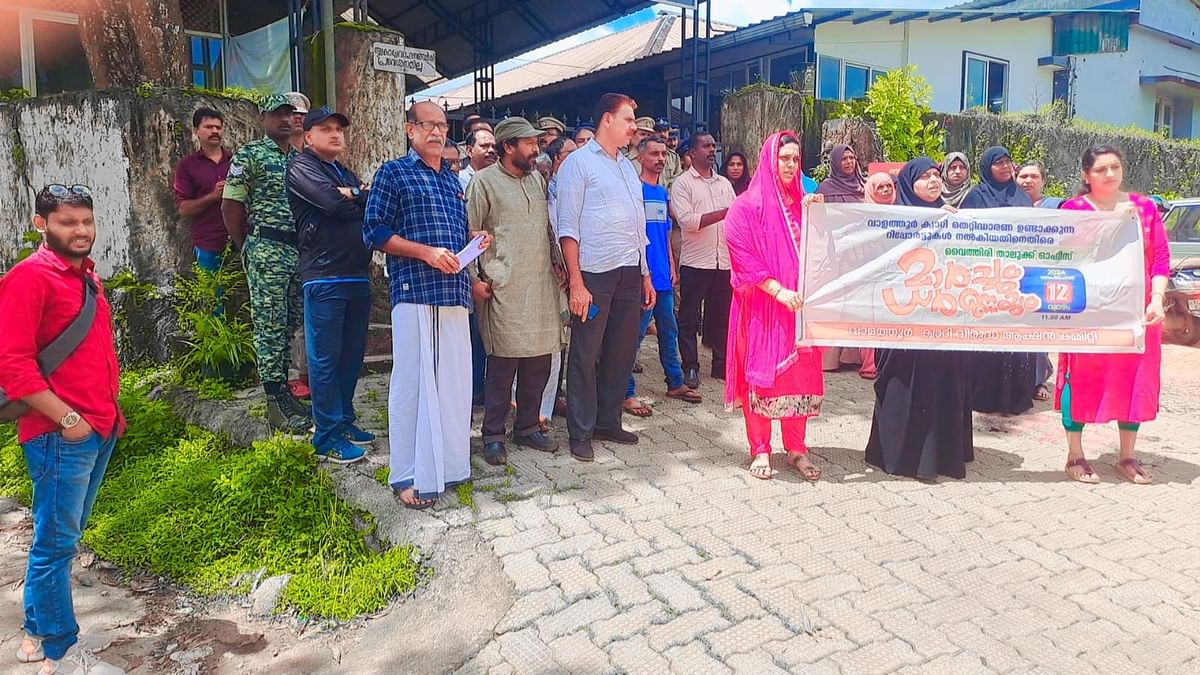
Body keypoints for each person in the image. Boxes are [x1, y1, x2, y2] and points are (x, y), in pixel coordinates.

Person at [0, 185, 126, 675]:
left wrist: (111, 414)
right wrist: (69, 420)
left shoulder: (87, 276)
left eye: (86, 222)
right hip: (61, 434)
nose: (80, 231)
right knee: (54, 543)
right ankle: (56, 647)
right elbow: (14, 368)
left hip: (99, 426)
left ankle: (38, 633)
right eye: (67, 222)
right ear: (41, 225)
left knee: (62, 538)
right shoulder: (29, 278)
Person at [363, 101, 494, 508]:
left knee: (454, 386)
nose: (437, 132)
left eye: (442, 125)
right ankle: (407, 473)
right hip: (415, 290)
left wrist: (472, 242)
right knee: (414, 384)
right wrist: (425, 253)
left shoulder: (451, 180)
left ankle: (450, 467)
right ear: (410, 129)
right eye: (428, 125)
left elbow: (452, 242)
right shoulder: (394, 173)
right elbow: (375, 231)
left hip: (453, 294)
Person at [1057, 145, 1168, 484]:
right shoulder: (1073, 210)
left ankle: (1127, 455)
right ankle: (1075, 454)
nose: (1109, 174)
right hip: (1087, 313)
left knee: (1132, 379)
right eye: (1101, 169)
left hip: (1135, 315)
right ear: (1085, 175)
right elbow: (1056, 255)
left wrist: (1157, 299)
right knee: (1082, 376)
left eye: (1115, 167)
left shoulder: (1144, 209)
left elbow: (1160, 259)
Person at [556, 93, 655, 462]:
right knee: (585, 352)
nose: (634, 127)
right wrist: (576, 282)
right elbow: (567, 227)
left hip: (630, 270)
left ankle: (607, 422)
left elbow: (638, 225)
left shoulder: (627, 167)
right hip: (594, 274)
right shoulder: (578, 165)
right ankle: (580, 431)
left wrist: (644, 274)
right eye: (629, 119)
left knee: (621, 351)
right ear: (607, 120)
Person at [865, 157, 975, 481]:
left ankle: (944, 455)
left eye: (935, 175)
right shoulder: (892, 218)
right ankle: (900, 454)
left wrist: (956, 225)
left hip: (943, 318)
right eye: (924, 176)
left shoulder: (954, 217)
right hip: (903, 318)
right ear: (909, 182)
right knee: (903, 381)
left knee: (944, 379)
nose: (933, 180)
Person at [724, 132, 825, 481]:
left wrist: (826, 217)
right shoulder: (745, 207)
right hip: (764, 309)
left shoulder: (805, 204)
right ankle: (761, 449)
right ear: (770, 160)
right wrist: (777, 290)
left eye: (796, 159)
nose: (791, 165)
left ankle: (796, 449)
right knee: (764, 380)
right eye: (785, 159)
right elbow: (742, 256)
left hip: (802, 310)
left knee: (800, 379)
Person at [467, 117, 563, 465]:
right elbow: (471, 232)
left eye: (536, 142)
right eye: (528, 143)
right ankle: (493, 434)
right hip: (502, 286)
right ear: (508, 147)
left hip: (539, 285)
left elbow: (547, 228)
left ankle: (526, 427)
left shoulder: (537, 179)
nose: (535, 148)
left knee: (539, 360)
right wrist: (473, 279)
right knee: (503, 364)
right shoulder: (484, 183)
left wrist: (558, 266)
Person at [286, 107, 372, 465]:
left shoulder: (343, 171)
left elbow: (367, 203)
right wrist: (354, 194)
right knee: (325, 359)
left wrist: (352, 192)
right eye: (326, 129)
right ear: (308, 136)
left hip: (356, 273)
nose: (336, 134)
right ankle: (326, 435)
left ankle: (345, 419)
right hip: (324, 276)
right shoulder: (301, 167)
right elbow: (332, 203)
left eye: (339, 129)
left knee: (351, 356)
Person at [221, 94, 312, 434]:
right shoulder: (250, 155)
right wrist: (246, 246)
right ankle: (273, 400)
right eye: (278, 114)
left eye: (290, 114)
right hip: (267, 247)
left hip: (295, 251)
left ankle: (285, 393)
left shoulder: (300, 160)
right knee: (269, 324)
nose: (285, 120)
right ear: (263, 118)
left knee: (288, 322)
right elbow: (231, 206)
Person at [959, 146, 1040, 416]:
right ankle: (980, 394)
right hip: (985, 278)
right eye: (999, 163)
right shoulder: (975, 197)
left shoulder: (1022, 198)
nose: (1006, 167)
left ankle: (1014, 395)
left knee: (1012, 336)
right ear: (986, 167)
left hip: (1015, 277)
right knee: (985, 336)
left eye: (1008, 162)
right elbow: (963, 235)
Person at [624, 136, 698, 418]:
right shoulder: (635, 192)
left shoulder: (662, 194)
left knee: (670, 330)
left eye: (663, 154)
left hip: (663, 278)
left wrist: (671, 264)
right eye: (654, 153)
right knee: (635, 336)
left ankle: (675, 382)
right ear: (640, 157)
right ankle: (626, 392)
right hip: (642, 277)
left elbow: (666, 235)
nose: (660, 159)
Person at [672, 131, 736, 389]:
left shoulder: (723, 184)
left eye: (713, 146)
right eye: (706, 146)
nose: (712, 150)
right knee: (688, 318)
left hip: (723, 262)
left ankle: (720, 366)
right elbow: (687, 221)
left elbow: (736, 219)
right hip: (696, 263)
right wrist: (724, 213)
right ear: (692, 152)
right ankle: (690, 368)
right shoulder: (682, 184)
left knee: (721, 317)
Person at [815, 144, 868, 373]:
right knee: (838, 304)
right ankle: (831, 359)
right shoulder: (826, 188)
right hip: (836, 254)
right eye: (844, 159)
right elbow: (817, 221)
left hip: (864, 255)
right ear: (835, 163)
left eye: (851, 158)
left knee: (859, 303)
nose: (848, 162)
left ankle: (854, 356)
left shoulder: (865, 186)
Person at [1017, 159, 1060, 398]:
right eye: (1023, 176)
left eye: (1033, 176)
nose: (1028, 181)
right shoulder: (1007, 206)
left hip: (1044, 277)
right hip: (1012, 276)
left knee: (1038, 331)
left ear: (1042, 181)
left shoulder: (1055, 207)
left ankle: (1039, 380)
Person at [174, 108, 231, 272]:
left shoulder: (236, 161)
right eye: (209, 127)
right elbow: (184, 209)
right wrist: (213, 197)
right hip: (208, 243)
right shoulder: (187, 166)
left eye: (218, 127)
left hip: (240, 241)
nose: (215, 131)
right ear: (195, 131)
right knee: (213, 296)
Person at [855, 171, 897, 381]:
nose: (885, 190)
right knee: (870, 318)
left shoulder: (904, 214)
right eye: (879, 187)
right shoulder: (862, 215)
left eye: (888, 186)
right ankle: (870, 364)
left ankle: (890, 363)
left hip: (895, 275)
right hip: (870, 275)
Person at [653, 118, 683, 187]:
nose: (662, 134)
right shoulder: (646, 154)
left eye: (665, 131)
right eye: (659, 131)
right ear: (653, 133)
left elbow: (678, 180)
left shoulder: (674, 157)